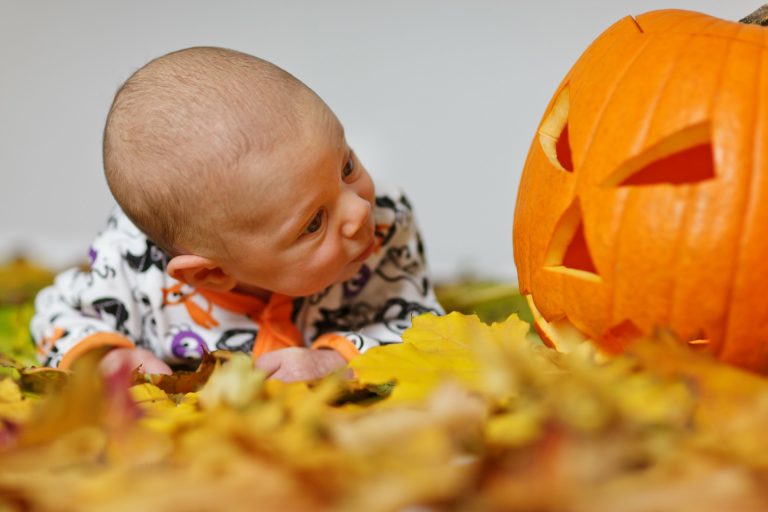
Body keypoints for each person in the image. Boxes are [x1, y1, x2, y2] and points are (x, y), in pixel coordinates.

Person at [31, 47, 443, 382]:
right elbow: (57, 316)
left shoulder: (385, 224)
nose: (358, 211)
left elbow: (422, 326)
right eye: (314, 223)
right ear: (210, 274)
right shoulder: (130, 268)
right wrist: (108, 357)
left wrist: (335, 362)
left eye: (346, 166)